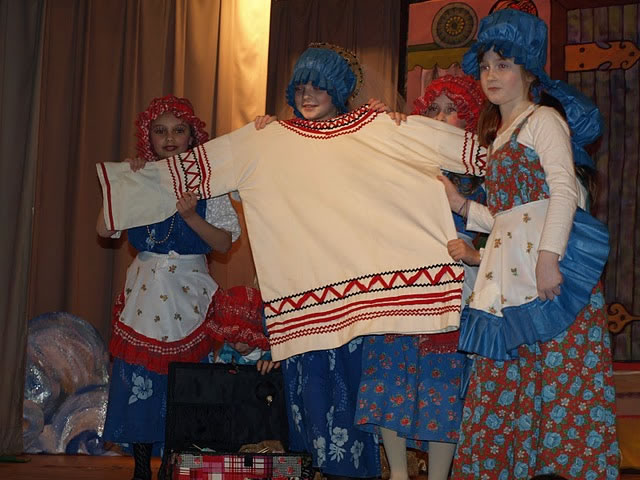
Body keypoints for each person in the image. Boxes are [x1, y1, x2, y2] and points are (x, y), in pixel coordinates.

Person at [96, 44, 488, 479]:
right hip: (305, 299)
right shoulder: (270, 140)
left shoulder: (376, 128)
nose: (307, 96)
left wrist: (508, 152)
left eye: (318, 87)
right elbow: (201, 168)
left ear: (338, 90)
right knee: (311, 400)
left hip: (362, 298)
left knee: (356, 399)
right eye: (300, 88)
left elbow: (480, 155)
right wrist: (132, 182)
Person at [438, 9, 619, 479]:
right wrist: (461, 205)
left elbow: (563, 191)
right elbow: (508, 217)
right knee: (512, 383)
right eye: (485, 66)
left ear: (528, 70)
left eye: (503, 64)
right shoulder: (498, 138)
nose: (491, 75)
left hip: (546, 279)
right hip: (511, 281)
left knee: (558, 382)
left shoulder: (543, 121)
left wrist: (548, 259)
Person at [97, 95, 241, 480]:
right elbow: (104, 229)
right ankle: (142, 468)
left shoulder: (209, 184)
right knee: (139, 379)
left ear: (193, 135)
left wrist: (191, 216)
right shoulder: (140, 178)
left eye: (179, 130)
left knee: (183, 382)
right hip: (145, 296)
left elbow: (223, 243)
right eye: (160, 131)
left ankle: (172, 467)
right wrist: (126, 185)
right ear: (149, 137)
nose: (170, 138)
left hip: (189, 295)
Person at [354, 74, 486, 480]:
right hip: (400, 281)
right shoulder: (403, 155)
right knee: (389, 373)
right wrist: (377, 126)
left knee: (441, 381)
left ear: (470, 119)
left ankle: (438, 476)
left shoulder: (483, 168)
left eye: (453, 110)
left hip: (454, 283)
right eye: (433, 109)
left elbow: (509, 228)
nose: (441, 118)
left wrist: (475, 254)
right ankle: (397, 473)